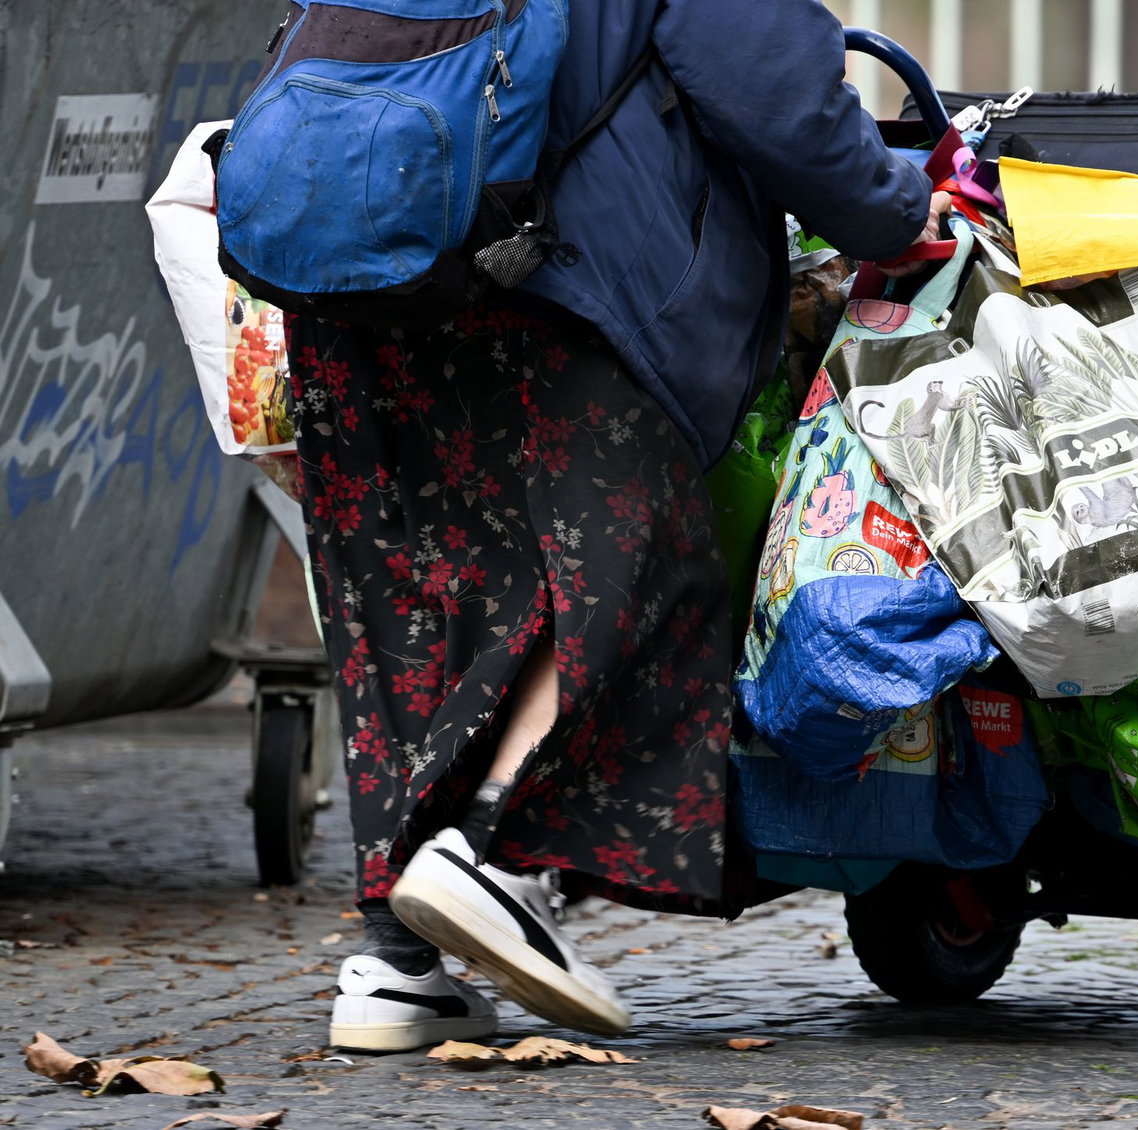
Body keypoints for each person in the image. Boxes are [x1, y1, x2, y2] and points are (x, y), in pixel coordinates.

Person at [291, 1, 946, 1053]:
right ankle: (492, 848)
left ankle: (394, 960)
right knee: (637, 571)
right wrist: (895, 210)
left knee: (418, 590)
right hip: (547, 267)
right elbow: (775, 92)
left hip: (353, 264)